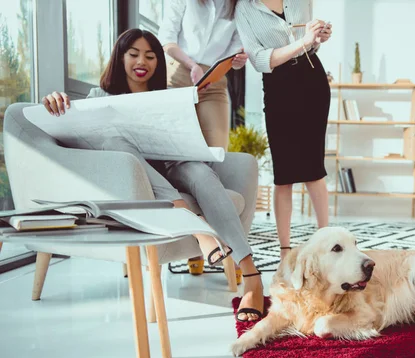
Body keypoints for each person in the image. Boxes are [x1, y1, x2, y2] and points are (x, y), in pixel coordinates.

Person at [42, 29, 264, 322]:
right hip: (135, 177)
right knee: (115, 143)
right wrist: (54, 100)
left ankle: (252, 276)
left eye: (150, 55)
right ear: (120, 58)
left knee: (200, 173)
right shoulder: (98, 97)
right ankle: (194, 224)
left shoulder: (167, 96)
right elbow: (70, 130)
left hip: (172, 163)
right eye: (133, 54)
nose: (141, 61)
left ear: (159, 62)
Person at [234, 0, 333, 261]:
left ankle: (328, 241)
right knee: (284, 173)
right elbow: (259, 59)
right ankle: (285, 250)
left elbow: (310, 42)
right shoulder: (244, 9)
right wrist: (302, 42)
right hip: (279, 86)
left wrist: (318, 36)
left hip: (312, 78)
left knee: (314, 168)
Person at [159, 0, 249, 151]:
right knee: (175, 150)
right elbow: (167, 39)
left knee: (218, 152)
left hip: (213, 82)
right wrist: (192, 65)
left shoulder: (241, 7)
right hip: (178, 78)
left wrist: (237, 61)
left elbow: (235, 50)